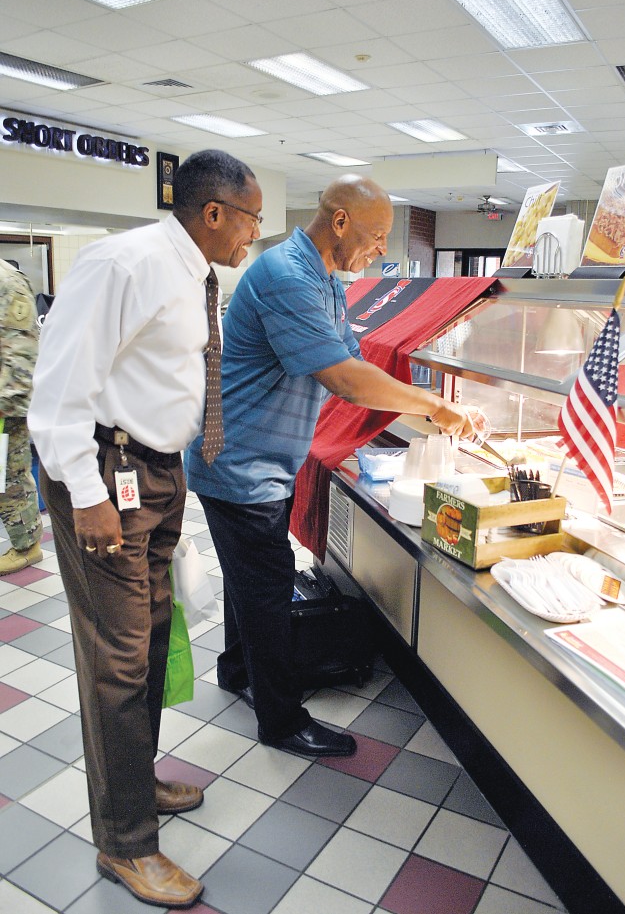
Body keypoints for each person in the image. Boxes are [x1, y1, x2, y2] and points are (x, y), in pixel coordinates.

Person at [27, 149, 263, 910]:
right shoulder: (121, 262)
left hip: (157, 471)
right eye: (253, 217)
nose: (254, 234)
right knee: (119, 656)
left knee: (154, 637)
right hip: (104, 472)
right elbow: (58, 393)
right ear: (216, 212)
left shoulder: (195, 273)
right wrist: (88, 494)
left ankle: (136, 781)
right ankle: (124, 841)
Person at [186, 174, 476, 760]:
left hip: (257, 459)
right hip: (242, 466)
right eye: (374, 238)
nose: (380, 252)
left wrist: (417, 386)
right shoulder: (286, 275)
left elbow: (353, 356)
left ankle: (238, 668)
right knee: (267, 588)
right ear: (339, 222)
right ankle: (281, 720)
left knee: (252, 580)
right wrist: (434, 405)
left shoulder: (324, 279)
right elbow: (343, 377)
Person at [0, 258, 43, 574]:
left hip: (5, 404)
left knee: (9, 477)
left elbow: (21, 352)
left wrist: (7, 400)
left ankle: (26, 545)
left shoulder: (8, 282)